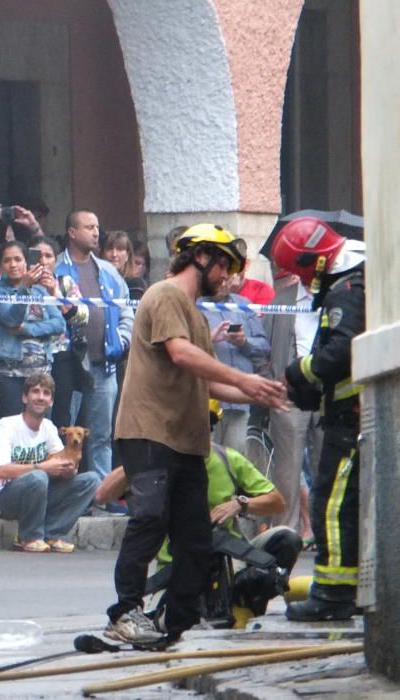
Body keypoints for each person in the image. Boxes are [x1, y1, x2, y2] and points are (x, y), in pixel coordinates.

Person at [104, 223, 288, 646]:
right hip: (149, 432)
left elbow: (204, 381)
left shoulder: (197, 315)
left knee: (195, 537)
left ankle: (177, 620)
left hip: (187, 441)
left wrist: (256, 390)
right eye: (225, 267)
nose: (227, 278)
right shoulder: (165, 294)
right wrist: (244, 382)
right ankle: (125, 613)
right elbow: (181, 354)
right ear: (202, 258)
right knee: (149, 520)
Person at [96, 401, 302, 621]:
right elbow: (102, 495)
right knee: (174, 622)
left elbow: (276, 501)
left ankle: (244, 602)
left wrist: (240, 504)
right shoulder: (157, 463)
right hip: (176, 568)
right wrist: (143, 458)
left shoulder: (227, 458)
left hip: (229, 558)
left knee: (287, 539)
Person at [268, 217, 365, 622]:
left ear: (318, 261)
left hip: (352, 421)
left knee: (332, 506)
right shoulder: (349, 284)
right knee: (339, 504)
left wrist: (297, 373)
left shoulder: (347, 291)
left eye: (303, 271)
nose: (304, 281)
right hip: (348, 417)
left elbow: (341, 352)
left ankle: (333, 597)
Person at [0, 373, 99, 553]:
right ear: (25, 397)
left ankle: (51, 533)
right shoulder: (7, 426)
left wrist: (68, 471)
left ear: (51, 401)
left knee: (91, 480)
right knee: (38, 476)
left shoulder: (49, 428)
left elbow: (60, 462)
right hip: (1, 498)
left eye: (46, 393)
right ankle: (29, 536)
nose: (40, 397)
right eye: (35, 392)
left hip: (37, 493)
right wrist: (42, 467)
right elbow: (1, 471)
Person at [55, 210, 134, 479]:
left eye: (97, 226)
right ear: (72, 232)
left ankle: (101, 495)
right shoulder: (57, 269)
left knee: (101, 436)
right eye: (89, 227)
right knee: (66, 432)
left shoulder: (108, 271)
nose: (96, 232)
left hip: (105, 365)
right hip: (72, 366)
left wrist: (124, 340)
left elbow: (126, 310)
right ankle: (70, 493)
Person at [262, 265, 321, 537]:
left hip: (325, 394)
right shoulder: (282, 301)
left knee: (327, 468)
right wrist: (271, 382)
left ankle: (326, 536)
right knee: (287, 472)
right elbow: (263, 348)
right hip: (288, 394)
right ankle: (286, 535)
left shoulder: (334, 298)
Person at [0, 240, 65, 419]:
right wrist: (24, 288)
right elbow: (11, 318)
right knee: (11, 431)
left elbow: (59, 324)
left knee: (40, 433)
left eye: (17, 259)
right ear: (1, 265)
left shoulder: (40, 291)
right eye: (7, 260)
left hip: (41, 375)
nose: (13, 264)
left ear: (26, 262)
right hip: (9, 375)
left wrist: (28, 329)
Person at [199, 275, 271, 456]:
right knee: (206, 458)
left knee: (235, 460)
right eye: (220, 278)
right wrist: (210, 339)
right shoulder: (196, 305)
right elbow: (184, 349)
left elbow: (264, 347)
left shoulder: (244, 304)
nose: (223, 283)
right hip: (207, 401)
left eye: (228, 278)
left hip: (239, 401)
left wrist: (244, 341)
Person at [29, 235, 91, 432]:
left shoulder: (64, 283)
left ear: (55, 260)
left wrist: (55, 293)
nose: (43, 261)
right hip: (30, 358)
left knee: (61, 415)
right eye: (38, 255)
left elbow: (82, 316)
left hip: (61, 356)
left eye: (48, 256)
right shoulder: (21, 285)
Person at [102, 230, 147, 300]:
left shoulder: (134, 283)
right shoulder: (96, 281)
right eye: (110, 249)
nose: (114, 254)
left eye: (119, 249)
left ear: (127, 255)